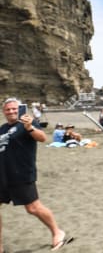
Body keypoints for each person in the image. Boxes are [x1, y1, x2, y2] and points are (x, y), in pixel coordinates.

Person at [0, 98, 71, 251]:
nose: (11, 111)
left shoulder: (27, 124)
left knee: (33, 208)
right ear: (3, 112)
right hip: (3, 175)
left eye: (14, 108)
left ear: (20, 109)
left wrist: (29, 127)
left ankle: (57, 232)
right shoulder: (2, 129)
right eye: (8, 109)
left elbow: (42, 138)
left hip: (22, 174)